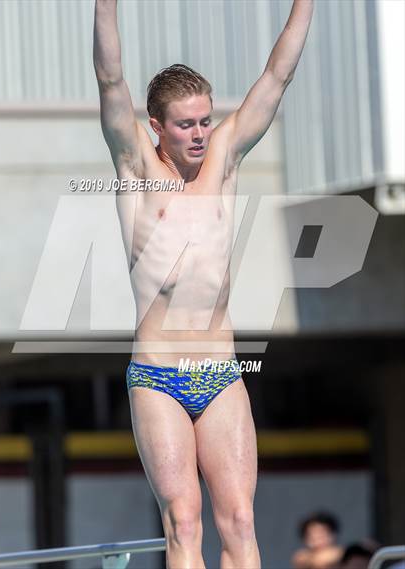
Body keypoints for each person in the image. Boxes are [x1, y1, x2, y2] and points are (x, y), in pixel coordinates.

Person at [93, 1, 313, 567]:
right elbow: (110, 77)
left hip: (220, 373)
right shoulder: (136, 169)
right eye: (185, 123)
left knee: (239, 518)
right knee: (184, 519)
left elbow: (277, 76)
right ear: (156, 127)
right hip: (158, 377)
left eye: (204, 120)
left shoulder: (224, 161)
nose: (198, 133)